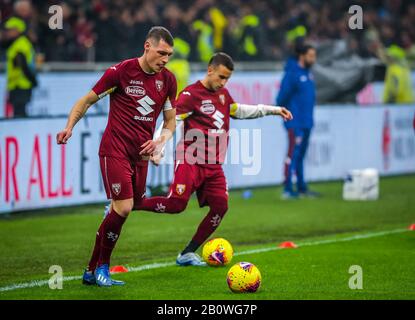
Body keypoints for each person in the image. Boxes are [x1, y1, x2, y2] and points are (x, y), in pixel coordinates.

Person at [135, 52, 292, 266]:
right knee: (176, 204)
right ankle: (133, 203)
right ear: (210, 70)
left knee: (221, 207)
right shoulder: (190, 95)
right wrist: (158, 145)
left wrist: (272, 110)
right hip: (190, 161)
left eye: (227, 78)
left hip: (214, 166)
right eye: (221, 77)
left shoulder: (224, 95)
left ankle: (187, 253)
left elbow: (240, 111)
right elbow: (173, 122)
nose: (224, 82)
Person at [56, 26, 177, 286]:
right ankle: (103, 268)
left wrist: (160, 142)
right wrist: (69, 127)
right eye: (161, 53)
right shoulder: (120, 72)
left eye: (169, 55)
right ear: (147, 46)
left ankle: (90, 271)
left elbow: (170, 122)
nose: (165, 59)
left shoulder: (168, 80)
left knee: (123, 209)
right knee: (124, 207)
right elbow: (86, 100)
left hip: (141, 155)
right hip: (115, 149)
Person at [277, 44, 318, 199]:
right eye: (311, 56)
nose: (313, 59)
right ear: (302, 56)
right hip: (295, 122)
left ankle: (301, 187)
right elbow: (281, 98)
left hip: (307, 121)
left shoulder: (308, 73)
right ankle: (287, 189)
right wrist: (288, 115)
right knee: (293, 154)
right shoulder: (292, 74)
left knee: (300, 155)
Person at [3, 17, 37, 117]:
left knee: (19, 113)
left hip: (20, 85)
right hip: (18, 84)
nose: (7, 32)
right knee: (20, 112)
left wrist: (32, 80)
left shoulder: (20, 44)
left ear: (17, 30)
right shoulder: (19, 43)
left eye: (10, 30)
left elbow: (23, 65)